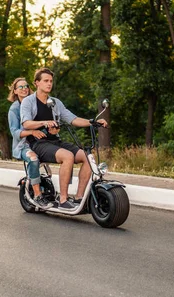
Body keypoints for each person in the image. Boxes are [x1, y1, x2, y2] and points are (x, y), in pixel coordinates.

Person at [20, 68, 108, 210]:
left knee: (87, 156)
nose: (49, 84)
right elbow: (26, 123)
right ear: (36, 83)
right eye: (45, 81)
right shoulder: (28, 102)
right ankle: (63, 200)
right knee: (68, 157)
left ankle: (79, 198)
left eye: (51, 81)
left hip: (55, 141)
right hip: (38, 143)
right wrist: (44, 123)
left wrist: (93, 122)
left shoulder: (55, 102)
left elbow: (73, 119)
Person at [7, 77, 53, 210]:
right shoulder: (14, 109)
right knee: (33, 159)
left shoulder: (34, 103)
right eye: (20, 87)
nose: (24, 88)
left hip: (40, 141)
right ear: (15, 91)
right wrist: (32, 132)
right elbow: (15, 132)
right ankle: (38, 195)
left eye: (26, 86)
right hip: (23, 145)